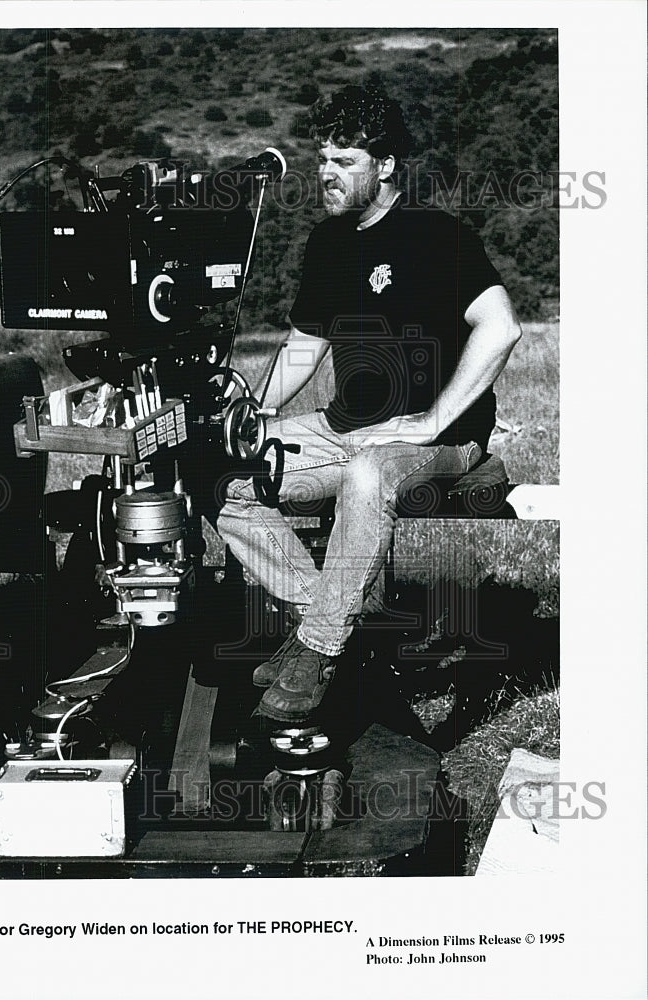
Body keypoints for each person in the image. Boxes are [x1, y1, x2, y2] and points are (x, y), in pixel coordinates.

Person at [217, 82, 522, 723]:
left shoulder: (438, 236)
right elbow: (305, 346)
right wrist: (255, 414)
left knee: (367, 472)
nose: (327, 174)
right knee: (220, 476)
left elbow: (501, 327)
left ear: (385, 168)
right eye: (323, 158)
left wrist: (435, 420)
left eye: (345, 162)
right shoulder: (328, 243)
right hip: (341, 427)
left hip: (439, 442)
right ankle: (321, 623)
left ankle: (319, 649)